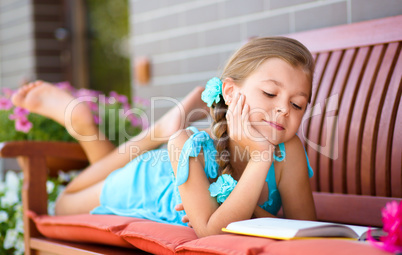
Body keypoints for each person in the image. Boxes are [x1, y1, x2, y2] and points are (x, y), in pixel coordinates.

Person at [12, 36, 316, 238]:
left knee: (93, 176)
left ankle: (157, 127)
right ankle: (89, 123)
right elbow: (212, 232)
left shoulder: (289, 150)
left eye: (297, 104)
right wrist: (261, 156)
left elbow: (305, 229)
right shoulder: (188, 145)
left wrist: (249, 194)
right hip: (146, 183)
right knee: (65, 202)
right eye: (270, 93)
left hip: (173, 161)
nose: (282, 110)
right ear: (231, 92)